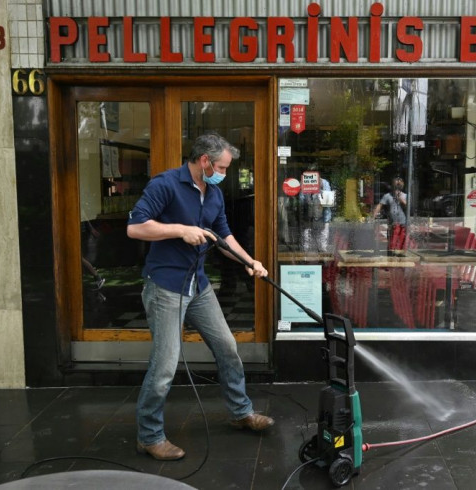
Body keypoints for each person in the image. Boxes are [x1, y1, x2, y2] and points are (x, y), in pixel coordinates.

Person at [127, 133, 274, 461]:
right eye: (221, 166)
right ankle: (149, 436)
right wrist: (179, 229)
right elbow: (135, 228)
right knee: (165, 364)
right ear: (205, 160)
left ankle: (240, 412)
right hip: (165, 287)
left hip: (199, 285)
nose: (224, 172)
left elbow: (225, 237)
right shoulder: (164, 185)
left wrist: (251, 262)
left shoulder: (215, 194)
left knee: (227, 346)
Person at [301, 175, 332, 252]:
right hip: (309, 214)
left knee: (322, 236)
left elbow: (327, 199)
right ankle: (307, 252)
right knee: (307, 235)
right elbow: (302, 200)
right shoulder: (305, 182)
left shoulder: (324, 183)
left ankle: (321, 252)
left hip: (323, 214)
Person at [373, 177, 407, 246]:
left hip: (403, 223)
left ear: (402, 186)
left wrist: (400, 198)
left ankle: (400, 254)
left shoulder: (405, 196)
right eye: (396, 184)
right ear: (393, 185)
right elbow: (380, 205)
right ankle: (391, 254)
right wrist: (374, 215)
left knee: (401, 243)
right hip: (392, 224)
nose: (397, 186)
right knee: (392, 243)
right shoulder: (387, 196)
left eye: (399, 184)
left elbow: (409, 207)